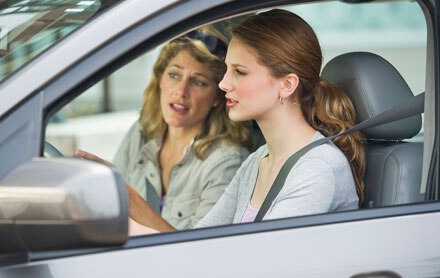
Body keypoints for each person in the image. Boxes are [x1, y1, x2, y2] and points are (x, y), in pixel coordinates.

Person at [128, 9, 365, 234]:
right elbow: (199, 241)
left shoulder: (317, 168)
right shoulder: (257, 161)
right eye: (227, 70)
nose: (223, 84)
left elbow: (261, 259)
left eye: (239, 72)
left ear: (287, 85)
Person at [76, 27, 251, 230]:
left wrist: (134, 203)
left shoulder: (226, 161)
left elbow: (200, 253)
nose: (181, 91)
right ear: (160, 80)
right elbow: (111, 208)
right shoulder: (142, 132)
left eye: (198, 82)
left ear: (216, 98)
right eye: (174, 75)